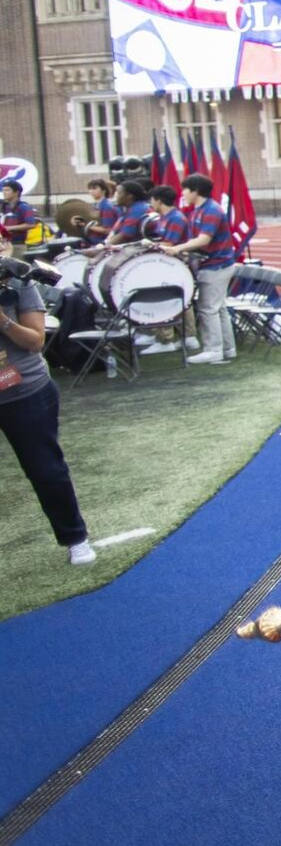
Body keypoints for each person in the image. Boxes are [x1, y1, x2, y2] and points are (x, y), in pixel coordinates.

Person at [0, 254, 93, 565]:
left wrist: (3, 320)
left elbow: (35, 341)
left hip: (25, 391)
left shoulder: (16, 279)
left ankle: (76, 538)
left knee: (45, 470)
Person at [163, 173, 237, 364]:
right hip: (213, 264)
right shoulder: (198, 210)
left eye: (186, 189)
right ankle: (228, 348)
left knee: (208, 309)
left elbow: (204, 239)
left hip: (216, 265)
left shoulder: (210, 210)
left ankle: (214, 349)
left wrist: (177, 249)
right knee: (218, 309)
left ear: (195, 190)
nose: (183, 193)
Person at [0, 178, 39, 244]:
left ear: (16, 192)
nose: (4, 192)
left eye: (7, 190)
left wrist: (8, 228)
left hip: (18, 244)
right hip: (4, 243)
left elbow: (31, 224)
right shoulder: (4, 206)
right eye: (3, 190)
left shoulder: (23, 207)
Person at [86, 177, 118, 242]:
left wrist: (88, 227)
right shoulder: (98, 205)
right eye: (89, 189)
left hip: (103, 242)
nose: (91, 191)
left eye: (94, 188)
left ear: (103, 190)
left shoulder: (106, 206)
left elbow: (108, 230)